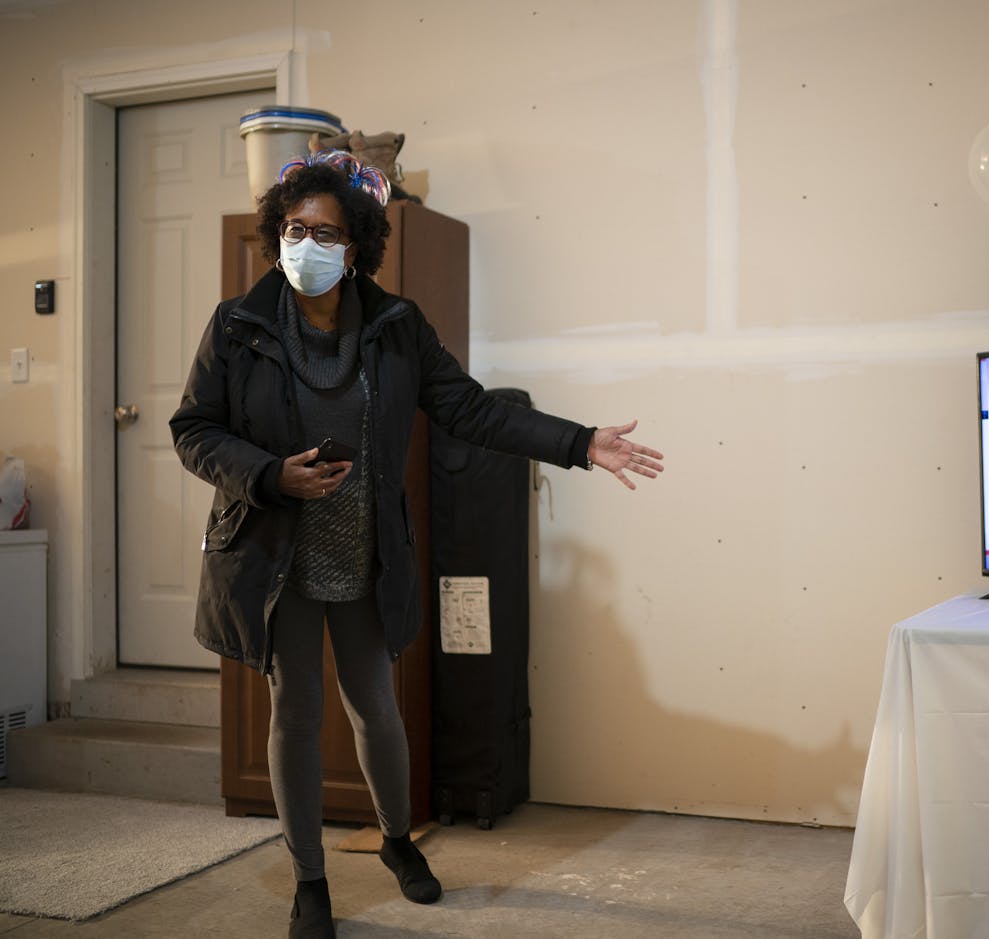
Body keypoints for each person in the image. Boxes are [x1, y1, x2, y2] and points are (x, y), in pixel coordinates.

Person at [169, 151, 665, 939]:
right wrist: (269, 474)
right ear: (277, 235)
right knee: (294, 715)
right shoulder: (238, 325)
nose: (307, 244)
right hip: (276, 558)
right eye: (294, 229)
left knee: (376, 710)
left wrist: (578, 442)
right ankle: (309, 880)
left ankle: (398, 840)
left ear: (357, 245)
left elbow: (472, 410)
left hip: (367, 555)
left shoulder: (397, 329)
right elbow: (194, 431)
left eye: (326, 232)